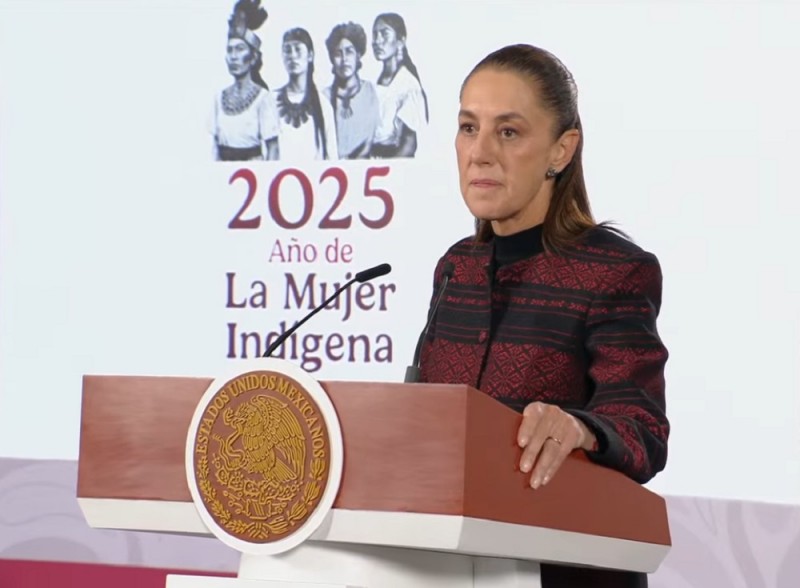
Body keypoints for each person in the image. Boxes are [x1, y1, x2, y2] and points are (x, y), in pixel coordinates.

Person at [418, 44, 669, 588]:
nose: (480, 153)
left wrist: (579, 428)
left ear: (561, 149)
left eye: (508, 132)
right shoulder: (457, 268)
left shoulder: (614, 270)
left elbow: (642, 430)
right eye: (468, 128)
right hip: (455, 570)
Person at [210, 0, 279, 161]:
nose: (234, 57)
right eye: (230, 50)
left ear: (253, 57)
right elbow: (214, 147)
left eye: (240, 49)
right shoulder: (218, 98)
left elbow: (273, 149)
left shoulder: (263, 98)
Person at [272, 28, 338, 160]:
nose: (292, 56)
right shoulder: (271, 101)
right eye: (287, 50)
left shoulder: (323, 105)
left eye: (298, 49)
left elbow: (331, 157)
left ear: (310, 56)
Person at [370, 13, 428, 158]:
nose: (377, 41)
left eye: (384, 34)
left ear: (400, 41)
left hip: (393, 162)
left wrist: (388, 168)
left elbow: (409, 145)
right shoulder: (374, 82)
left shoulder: (407, 85)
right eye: (375, 35)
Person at [324, 22, 380, 159]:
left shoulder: (372, 92)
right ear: (332, 59)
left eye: (349, 52)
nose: (344, 60)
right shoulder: (323, 98)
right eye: (338, 54)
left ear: (358, 55)